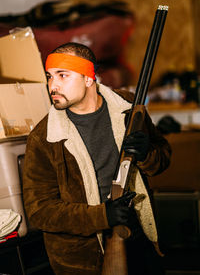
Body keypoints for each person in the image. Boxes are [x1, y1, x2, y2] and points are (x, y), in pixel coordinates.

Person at [22, 42, 171, 275]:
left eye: (63, 75)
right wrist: (103, 215)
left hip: (140, 237)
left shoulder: (128, 107)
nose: (53, 85)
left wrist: (146, 154)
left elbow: (162, 159)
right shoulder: (43, 139)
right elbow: (40, 211)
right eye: (49, 77)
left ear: (89, 78)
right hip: (83, 259)